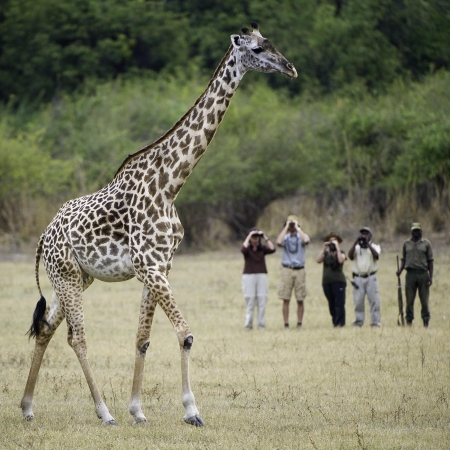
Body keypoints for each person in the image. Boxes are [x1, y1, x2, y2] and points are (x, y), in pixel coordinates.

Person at [396, 222, 433, 327]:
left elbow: (430, 261)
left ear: (421, 231)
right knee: (409, 299)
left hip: (423, 274)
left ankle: (426, 321)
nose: (415, 232)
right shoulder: (406, 243)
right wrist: (400, 270)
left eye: (417, 230)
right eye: (414, 230)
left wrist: (430, 276)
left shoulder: (426, 244)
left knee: (424, 300)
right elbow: (404, 259)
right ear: (411, 231)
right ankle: (409, 321)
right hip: (410, 274)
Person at [276, 215, 310, 329]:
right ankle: (286, 324)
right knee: (286, 298)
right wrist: (286, 227)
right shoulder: (285, 237)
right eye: (290, 223)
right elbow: (278, 242)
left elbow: (306, 240)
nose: (291, 226)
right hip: (287, 269)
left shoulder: (302, 236)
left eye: (293, 223)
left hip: (300, 269)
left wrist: (297, 228)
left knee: (300, 298)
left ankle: (299, 323)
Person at [241, 227, 276, 330]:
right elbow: (243, 249)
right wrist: (249, 236)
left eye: (257, 237)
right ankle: (248, 325)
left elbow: (273, 249)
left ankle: (261, 325)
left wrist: (264, 236)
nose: (255, 240)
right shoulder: (247, 249)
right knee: (250, 300)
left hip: (261, 275)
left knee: (262, 300)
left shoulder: (263, 248)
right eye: (253, 237)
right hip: (249, 276)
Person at [348, 227, 381, 327]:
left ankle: (375, 322)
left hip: (371, 276)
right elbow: (350, 256)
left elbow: (377, 256)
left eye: (366, 234)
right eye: (362, 234)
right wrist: (355, 242)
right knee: (358, 301)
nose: (364, 236)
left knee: (374, 300)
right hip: (358, 277)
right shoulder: (357, 248)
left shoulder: (375, 246)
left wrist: (368, 244)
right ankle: (358, 321)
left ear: (370, 235)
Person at [316, 232, 347, 327]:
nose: (332, 243)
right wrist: (324, 248)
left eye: (334, 240)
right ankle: (335, 322)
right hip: (326, 282)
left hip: (339, 281)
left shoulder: (342, 252)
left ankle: (340, 323)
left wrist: (337, 248)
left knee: (339, 303)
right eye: (330, 241)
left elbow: (341, 260)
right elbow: (318, 260)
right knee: (331, 303)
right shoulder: (326, 253)